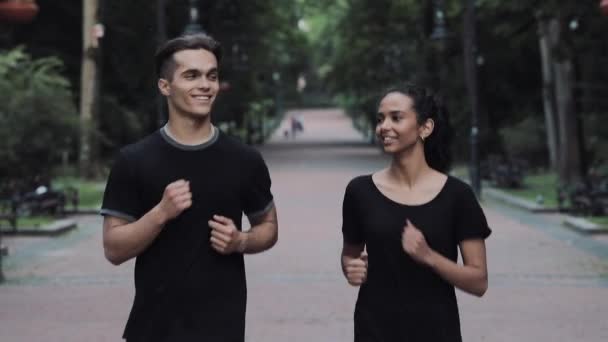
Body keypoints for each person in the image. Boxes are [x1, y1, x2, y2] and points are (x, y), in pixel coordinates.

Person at [100, 33, 278, 342]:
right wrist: (161, 213)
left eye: (212, 75)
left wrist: (241, 241)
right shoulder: (134, 161)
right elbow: (113, 249)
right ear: (164, 86)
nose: (205, 85)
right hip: (153, 329)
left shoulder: (244, 159)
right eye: (191, 75)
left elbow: (269, 226)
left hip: (222, 327)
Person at [340, 83, 491, 341]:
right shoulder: (360, 191)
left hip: (437, 332)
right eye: (380, 119)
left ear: (425, 127)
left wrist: (429, 256)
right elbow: (350, 256)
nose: (383, 127)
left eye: (396, 117)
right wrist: (350, 268)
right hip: (374, 329)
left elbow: (479, 282)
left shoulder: (457, 196)